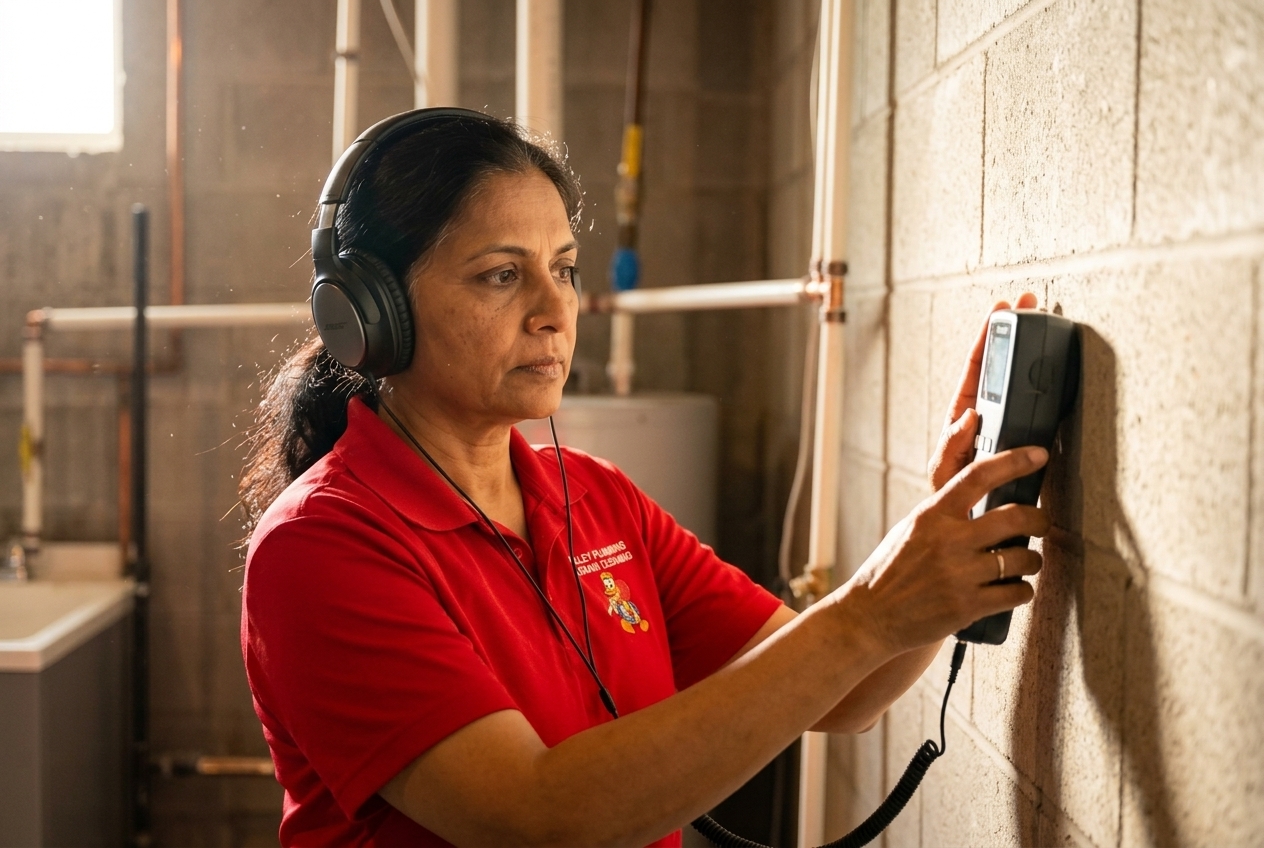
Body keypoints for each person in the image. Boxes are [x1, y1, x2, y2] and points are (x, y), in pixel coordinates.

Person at [238, 109, 1049, 848]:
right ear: (373, 314)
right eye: (500, 274)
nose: (555, 309)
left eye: (564, 267)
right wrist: (872, 612)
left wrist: (943, 530)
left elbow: (849, 691)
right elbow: (535, 818)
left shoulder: (593, 496)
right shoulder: (320, 546)